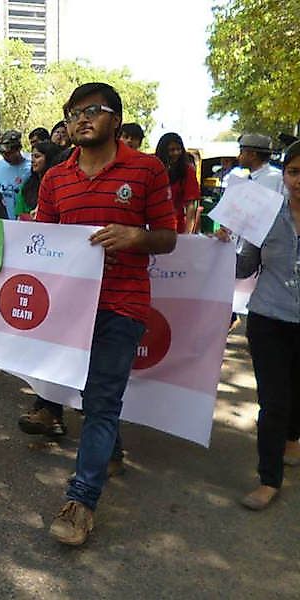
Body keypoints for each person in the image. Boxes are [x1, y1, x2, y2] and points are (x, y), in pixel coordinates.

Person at [35, 83, 176, 545]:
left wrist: (135, 238)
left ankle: (81, 501)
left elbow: (168, 237)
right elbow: (42, 240)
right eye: (73, 112)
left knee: (101, 399)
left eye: (93, 110)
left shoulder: (147, 169)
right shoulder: (56, 177)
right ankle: (111, 451)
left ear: (116, 119)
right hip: (72, 308)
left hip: (123, 304)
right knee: (92, 394)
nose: (81, 119)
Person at [215, 140, 300, 510]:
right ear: (284, 175)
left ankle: (293, 437)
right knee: (273, 400)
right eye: (295, 171)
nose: (299, 181)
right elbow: (246, 267)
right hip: (267, 320)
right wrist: (221, 246)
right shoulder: (266, 216)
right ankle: (269, 479)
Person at [155, 132, 200, 233]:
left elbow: (190, 206)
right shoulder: (154, 169)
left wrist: (188, 234)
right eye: (171, 150)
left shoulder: (188, 170)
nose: (176, 153)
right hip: (154, 227)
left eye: (178, 149)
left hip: (177, 228)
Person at [0, 130, 31, 220]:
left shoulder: (30, 168)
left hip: (21, 221)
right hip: (0, 220)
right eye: (2, 153)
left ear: (18, 149)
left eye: (8, 153)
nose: (5, 156)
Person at [15, 141, 61, 220]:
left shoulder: (61, 185)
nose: (32, 160)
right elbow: (19, 215)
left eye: (37, 156)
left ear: (49, 158)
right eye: (32, 157)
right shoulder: (27, 185)